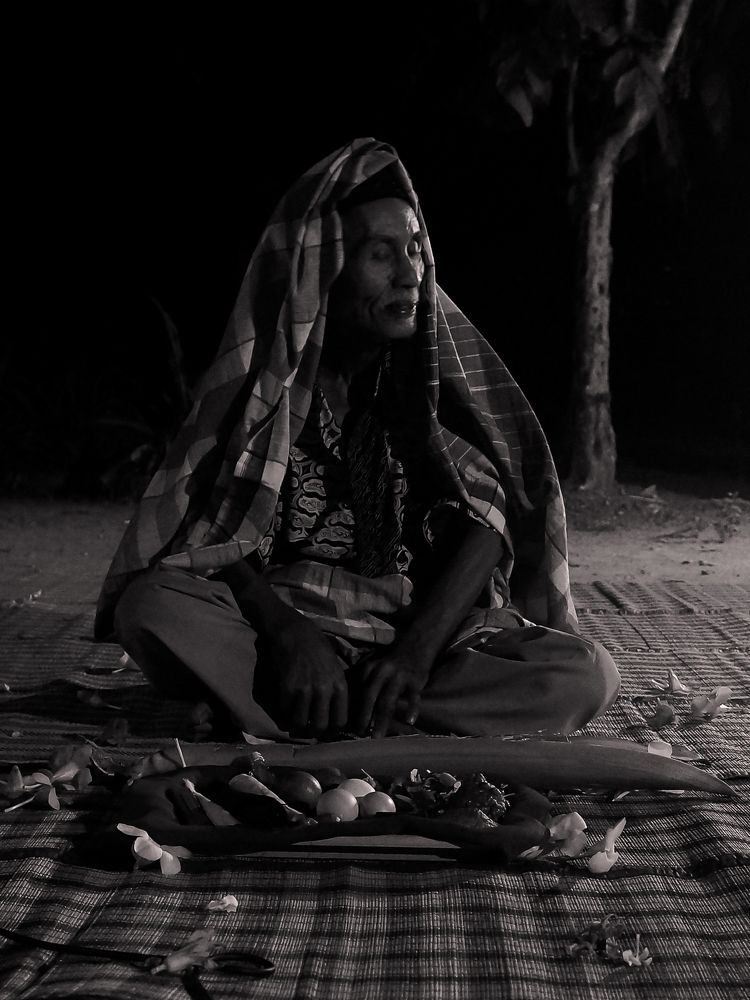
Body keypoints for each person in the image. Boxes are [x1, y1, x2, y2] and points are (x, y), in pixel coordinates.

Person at [95, 137, 620, 743]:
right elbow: (215, 531)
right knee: (150, 608)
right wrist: (290, 635)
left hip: (409, 638)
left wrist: (416, 654)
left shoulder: (421, 386)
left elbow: (489, 517)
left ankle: (315, 710)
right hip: (279, 636)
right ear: (323, 271)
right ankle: (367, 715)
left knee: (585, 673)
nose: (410, 274)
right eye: (380, 254)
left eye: (417, 249)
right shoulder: (269, 388)